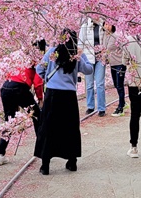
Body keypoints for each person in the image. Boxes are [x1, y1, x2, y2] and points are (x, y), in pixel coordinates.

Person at [34, 28, 94, 175]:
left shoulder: (52, 52)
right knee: (70, 128)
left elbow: (39, 69)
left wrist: (48, 77)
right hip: (69, 96)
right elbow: (89, 70)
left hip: (53, 94)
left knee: (48, 127)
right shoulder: (76, 56)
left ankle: (45, 165)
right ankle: (72, 162)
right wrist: (81, 57)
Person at [0, 40, 45, 166]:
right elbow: (38, 82)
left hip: (6, 87)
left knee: (9, 121)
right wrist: (40, 98)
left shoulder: (17, 55)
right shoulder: (35, 59)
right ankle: (42, 149)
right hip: (20, 88)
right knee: (37, 116)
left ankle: (0, 154)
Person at [78, 16, 107, 116]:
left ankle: (101, 108)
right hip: (88, 58)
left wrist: (105, 55)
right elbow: (80, 44)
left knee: (100, 83)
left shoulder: (103, 25)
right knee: (89, 84)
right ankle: (90, 106)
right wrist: (80, 59)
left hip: (100, 58)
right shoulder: (85, 26)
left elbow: (106, 41)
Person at [103, 24, 126, 116]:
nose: (107, 26)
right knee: (116, 85)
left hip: (119, 63)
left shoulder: (116, 36)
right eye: (105, 24)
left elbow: (124, 47)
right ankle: (123, 103)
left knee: (120, 85)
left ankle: (121, 108)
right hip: (112, 63)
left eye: (109, 24)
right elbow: (106, 50)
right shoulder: (105, 36)